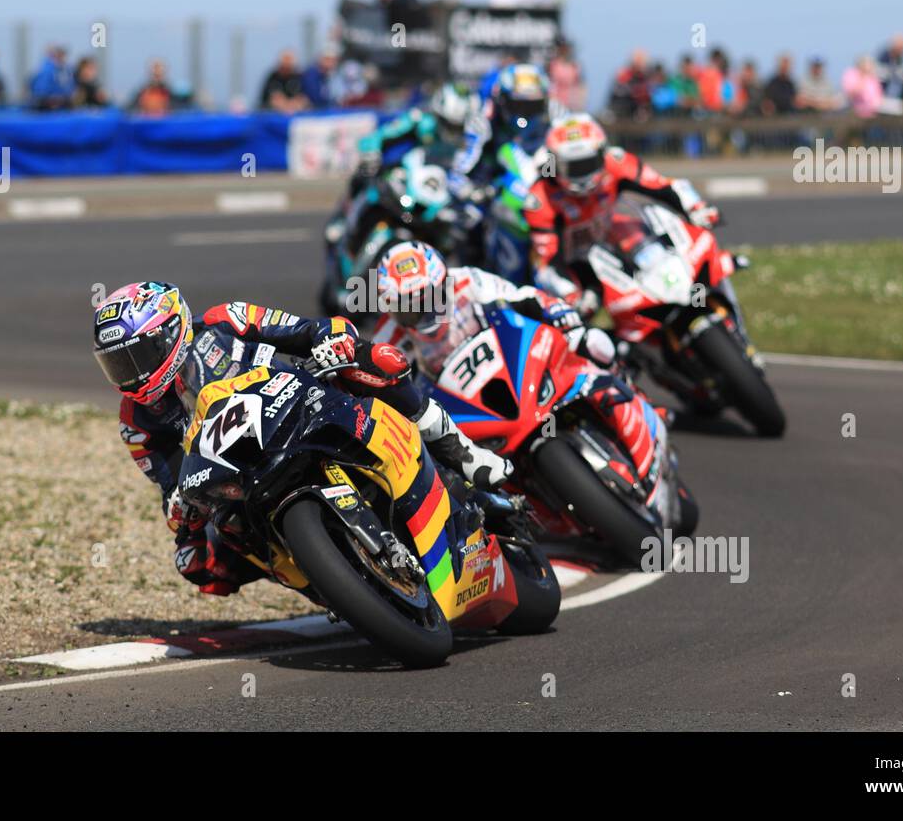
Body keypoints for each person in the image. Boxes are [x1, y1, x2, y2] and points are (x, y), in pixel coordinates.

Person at [92, 281, 511, 596]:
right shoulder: (138, 422)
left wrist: (330, 340)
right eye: (116, 364)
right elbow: (171, 484)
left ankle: (462, 452)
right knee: (194, 562)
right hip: (240, 471)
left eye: (136, 356)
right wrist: (179, 511)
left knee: (375, 360)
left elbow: (306, 329)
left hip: (304, 405)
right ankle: (327, 585)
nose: (131, 374)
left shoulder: (227, 320)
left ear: (170, 332)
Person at [369, 240, 665, 489]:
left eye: (427, 298)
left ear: (443, 281)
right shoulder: (388, 336)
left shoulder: (467, 280)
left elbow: (521, 296)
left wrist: (562, 316)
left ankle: (632, 392)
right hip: (463, 407)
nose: (421, 313)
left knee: (595, 343)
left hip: (512, 363)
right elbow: (381, 392)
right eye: (407, 308)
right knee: (454, 476)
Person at [526, 113, 719, 310]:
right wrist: (571, 292)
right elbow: (548, 261)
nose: (582, 174)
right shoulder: (540, 199)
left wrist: (696, 207)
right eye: (572, 167)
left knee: (694, 256)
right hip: (578, 263)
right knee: (582, 311)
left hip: (617, 236)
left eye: (588, 163)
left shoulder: (617, 161)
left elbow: (664, 185)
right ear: (554, 163)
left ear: (602, 153)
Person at [259, 49, 310, 114]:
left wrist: (294, 103)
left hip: (296, 114)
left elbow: (304, 97)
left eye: (289, 67)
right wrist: (285, 106)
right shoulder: (273, 77)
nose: (286, 69)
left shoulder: (299, 77)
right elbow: (273, 98)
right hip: (274, 115)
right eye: (284, 66)